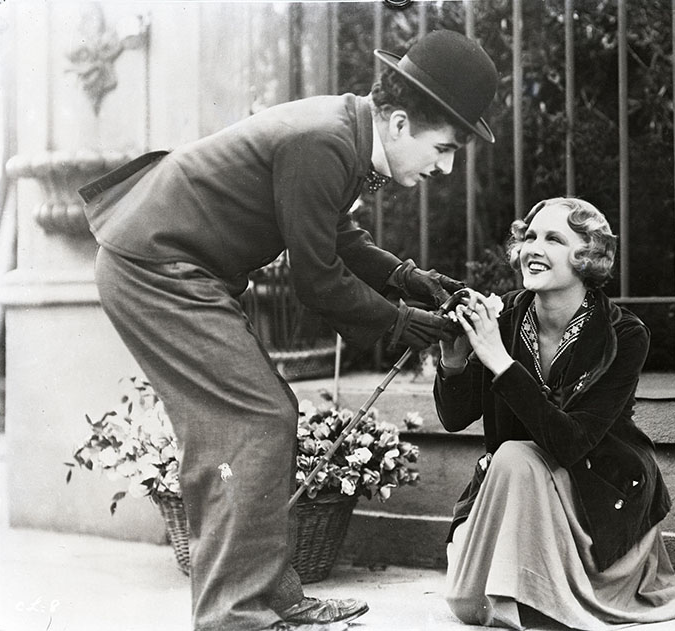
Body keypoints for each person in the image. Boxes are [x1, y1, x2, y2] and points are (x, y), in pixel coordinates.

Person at [79, 30, 498, 631]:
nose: (447, 166)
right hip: (154, 267)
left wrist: (406, 278)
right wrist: (400, 321)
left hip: (173, 265)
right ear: (401, 124)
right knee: (251, 420)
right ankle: (234, 616)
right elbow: (318, 280)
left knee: (257, 418)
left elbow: (334, 233)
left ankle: (271, 598)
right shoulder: (324, 140)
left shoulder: (345, 131)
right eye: (445, 147)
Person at [434, 198, 675, 630]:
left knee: (514, 457)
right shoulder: (506, 316)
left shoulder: (623, 334)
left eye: (554, 239)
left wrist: (499, 361)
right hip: (517, 487)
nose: (533, 248)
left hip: (593, 494)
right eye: (529, 237)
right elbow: (454, 418)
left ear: (588, 257)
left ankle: (538, 593)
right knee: (469, 598)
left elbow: (572, 442)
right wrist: (452, 361)